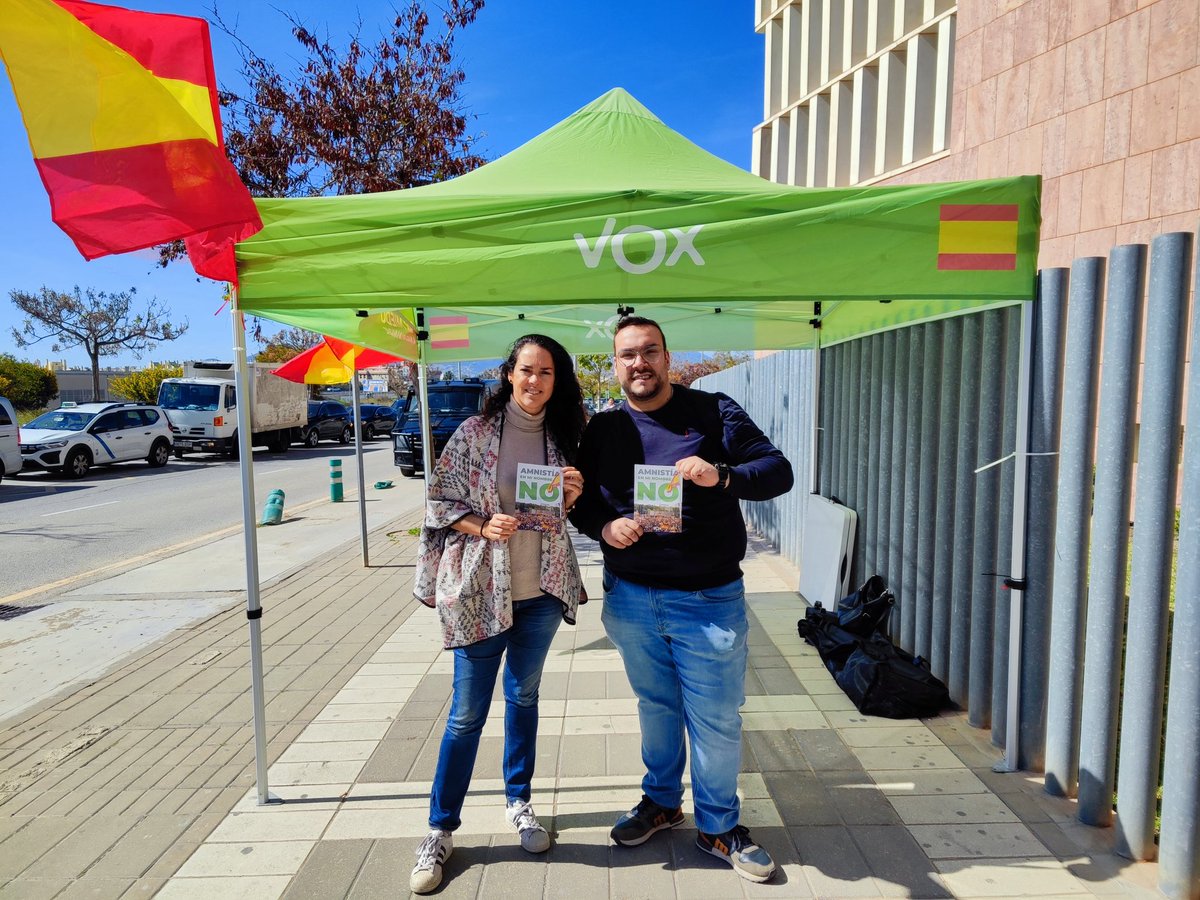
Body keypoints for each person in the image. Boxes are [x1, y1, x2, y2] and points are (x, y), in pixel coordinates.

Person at [569, 316, 793, 884]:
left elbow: (777, 472)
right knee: (656, 709)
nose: (638, 364)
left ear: (667, 357)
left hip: (707, 598)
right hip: (631, 597)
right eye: (627, 356)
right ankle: (661, 803)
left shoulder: (713, 410)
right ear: (615, 364)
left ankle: (719, 826)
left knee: (715, 720)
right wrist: (604, 528)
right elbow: (581, 500)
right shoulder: (604, 428)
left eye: (649, 352)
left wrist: (719, 475)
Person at [410, 334, 587, 894]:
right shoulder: (474, 433)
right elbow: (439, 502)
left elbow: (557, 515)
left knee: (525, 699)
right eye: (526, 370)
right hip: (482, 592)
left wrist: (573, 496)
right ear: (509, 374)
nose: (535, 381)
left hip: (538, 593)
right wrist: (482, 525)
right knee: (466, 715)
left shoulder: (564, 440)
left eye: (547, 373)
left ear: (557, 382)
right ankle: (439, 829)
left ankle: (520, 803)